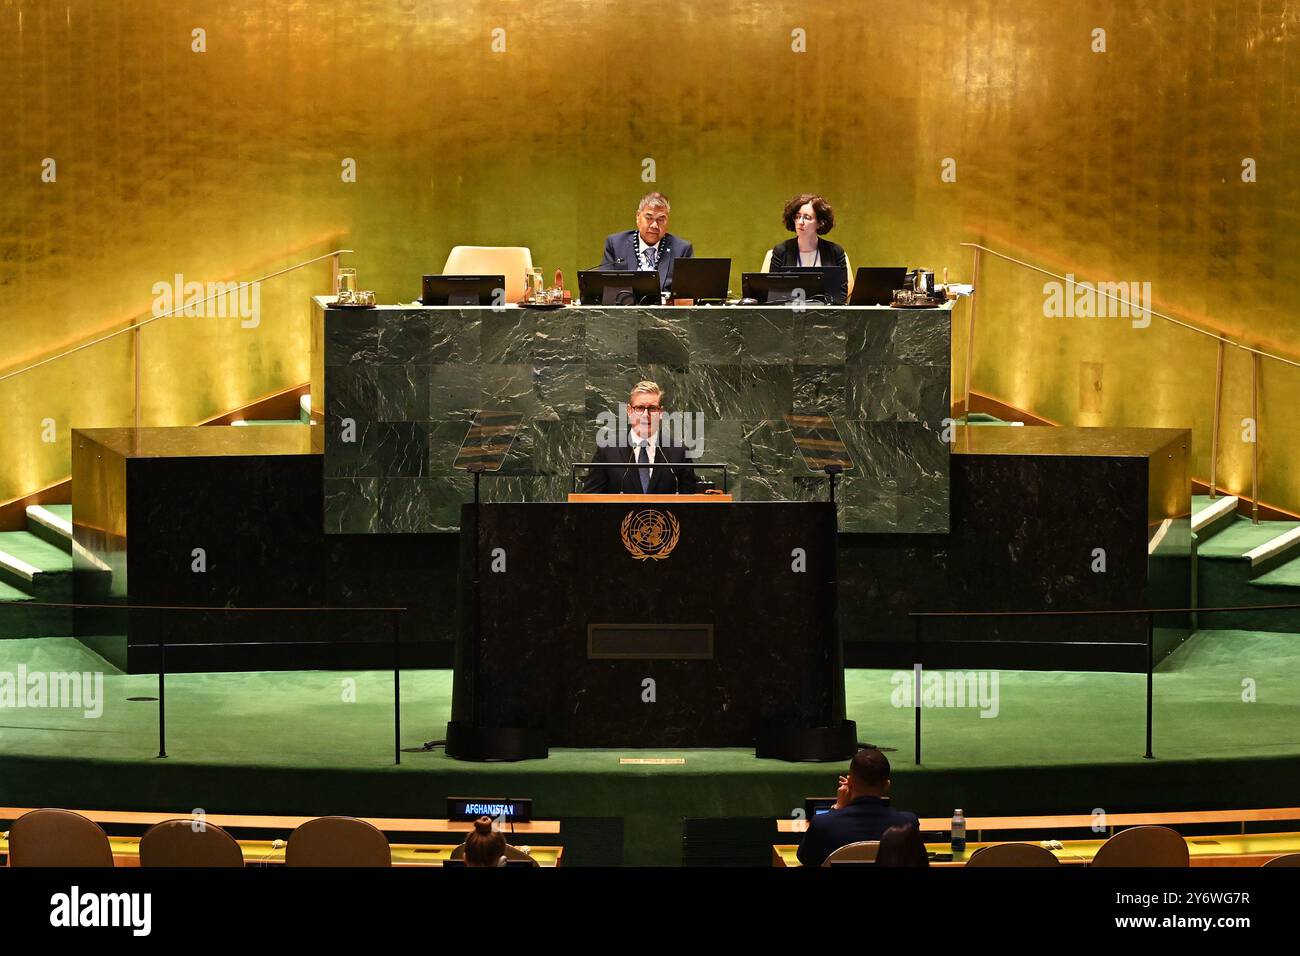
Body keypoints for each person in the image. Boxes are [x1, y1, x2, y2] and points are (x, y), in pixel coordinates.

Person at [796, 747, 919, 867]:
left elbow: (805, 858)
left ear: (850, 782)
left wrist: (838, 807)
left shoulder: (823, 824)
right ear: (887, 785)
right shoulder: (907, 824)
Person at [582, 381, 710, 494]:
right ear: (629, 411)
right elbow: (589, 501)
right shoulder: (608, 450)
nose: (645, 415)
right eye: (639, 408)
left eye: (652, 409)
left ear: (660, 413)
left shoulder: (678, 452)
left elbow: (691, 503)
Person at [599, 192, 694, 295]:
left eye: (661, 219)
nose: (654, 225)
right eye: (648, 218)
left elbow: (688, 295)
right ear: (637, 217)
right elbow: (605, 289)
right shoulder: (616, 245)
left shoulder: (682, 250)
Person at [763, 193, 851, 303]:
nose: (800, 222)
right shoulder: (780, 251)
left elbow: (841, 296)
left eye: (807, 217)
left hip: (826, 316)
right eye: (797, 216)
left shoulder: (835, 252)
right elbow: (773, 294)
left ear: (820, 223)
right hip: (788, 315)